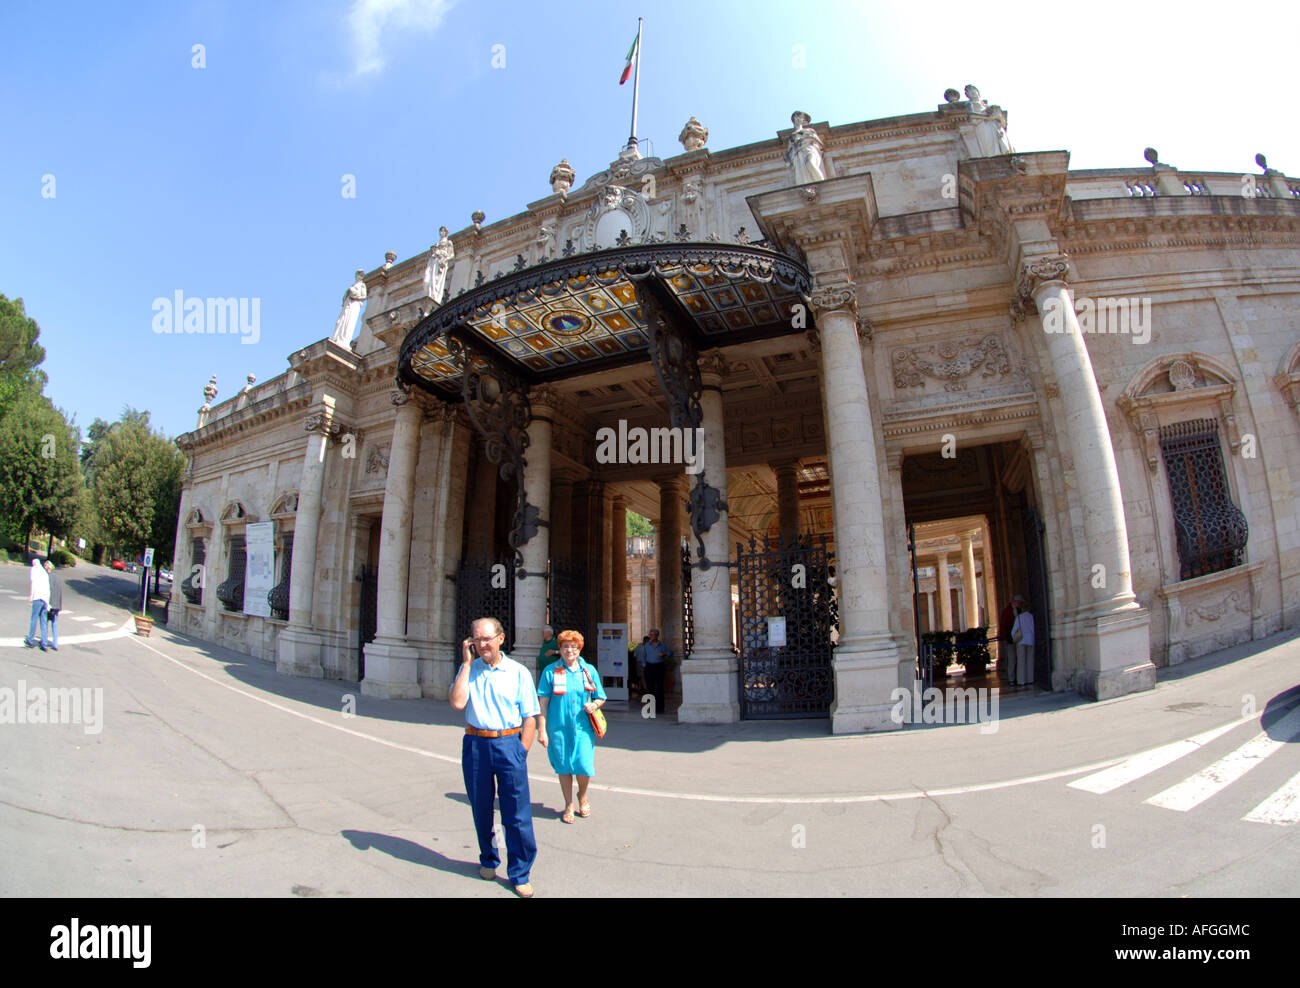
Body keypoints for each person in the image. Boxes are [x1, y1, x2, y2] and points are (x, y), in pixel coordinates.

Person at [448, 616, 539, 898]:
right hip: (476, 743)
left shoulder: (518, 672)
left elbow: (530, 717)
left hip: (509, 743)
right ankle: (488, 857)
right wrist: (465, 663)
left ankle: (520, 872)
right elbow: (457, 702)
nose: (482, 644)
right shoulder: (470, 669)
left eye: (487, 638)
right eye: (476, 639)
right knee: (481, 807)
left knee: (517, 812)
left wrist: (520, 751)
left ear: (500, 638)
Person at [537, 629, 606, 824]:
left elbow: (600, 696)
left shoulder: (588, 670)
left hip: (583, 727)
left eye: (574, 647)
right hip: (558, 727)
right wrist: (541, 729)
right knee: (564, 766)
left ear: (579, 649)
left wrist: (594, 704)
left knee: (584, 766)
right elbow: (543, 702)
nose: (569, 650)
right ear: (560, 649)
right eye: (566, 646)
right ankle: (568, 804)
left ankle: (582, 796)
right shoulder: (550, 671)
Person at [640, 628, 671, 716]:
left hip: (659, 666)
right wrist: (644, 666)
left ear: (657, 636)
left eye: (653, 635)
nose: (651, 636)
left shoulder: (662, 645)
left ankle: (660, 707)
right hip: (649, 667)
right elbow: (643, 657)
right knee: (650, 688)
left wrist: (664, 654)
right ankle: (651, 707)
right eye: (650, 635)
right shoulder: (646, 646)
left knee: (660, 687)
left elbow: (670, 653)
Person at [24, 559, 51, 651]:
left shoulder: (34, 569)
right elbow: (48, 588)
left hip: (38, 597)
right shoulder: (44, 572)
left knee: (34, 619)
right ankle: (44, 643)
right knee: (43, 621)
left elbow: (33, 583)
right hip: (44, 599)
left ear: (34, 564)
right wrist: (47, 603)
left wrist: (31, 595)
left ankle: (30, 639)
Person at [1011, 597, 1036, 687]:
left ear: (1022, 608)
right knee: (1030, 660)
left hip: (1021, 640)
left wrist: (1014, 638)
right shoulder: (1032, 617)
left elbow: (1014, 630)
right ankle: (1030, 679)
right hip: (1031, 639)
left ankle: (1021, 680)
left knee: (1021, 661)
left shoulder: (1019, 618)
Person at [44, 560, 62, 651]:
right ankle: (55, 643)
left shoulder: (48, 577)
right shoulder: (57, 578)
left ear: (47, 568)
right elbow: (59, 592)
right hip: (57, 605)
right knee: (54, 624)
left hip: (50, 604)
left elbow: (48, 591)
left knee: (45, 622)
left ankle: (45, 641)